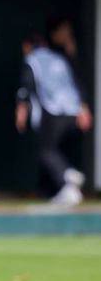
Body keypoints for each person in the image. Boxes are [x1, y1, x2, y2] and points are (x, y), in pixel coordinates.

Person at [15, 18, 93, 206]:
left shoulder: (32, 59)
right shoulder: (59, 58)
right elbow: (75, 84)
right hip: (73, 112)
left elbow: (27, 85)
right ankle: (59, 186)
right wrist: (83, 107)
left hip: (54, 111)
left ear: (28, 46)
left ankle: (67, 178)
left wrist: (21, 109)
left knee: (46, 150)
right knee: (55, 148)